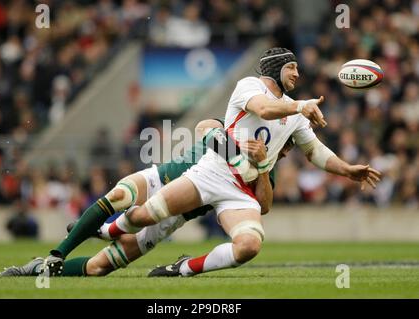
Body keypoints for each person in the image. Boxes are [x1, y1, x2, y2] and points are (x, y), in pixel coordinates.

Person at [91, 47, 381, 278]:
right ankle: (102, 231)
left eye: (297, 67)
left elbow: (315, 151)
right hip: (209, 173)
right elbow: (259, 110)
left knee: (249, 246)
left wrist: (347, 170)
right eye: (291, 67)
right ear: (275, 69)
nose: (297, 72)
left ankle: (184, 268)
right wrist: (300, 105)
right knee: (140, 217)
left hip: (237, 192)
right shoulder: (251, 86)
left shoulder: (292, 117)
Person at [0, 118, 274, 276]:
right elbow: (204, 126)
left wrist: (261, 168)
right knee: (119, 195)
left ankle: (43, 270)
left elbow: (263, 206)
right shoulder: (227, 131)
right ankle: (57, 254)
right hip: (160, 179)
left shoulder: (264, 167)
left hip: (172, 214)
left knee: (98, 268)